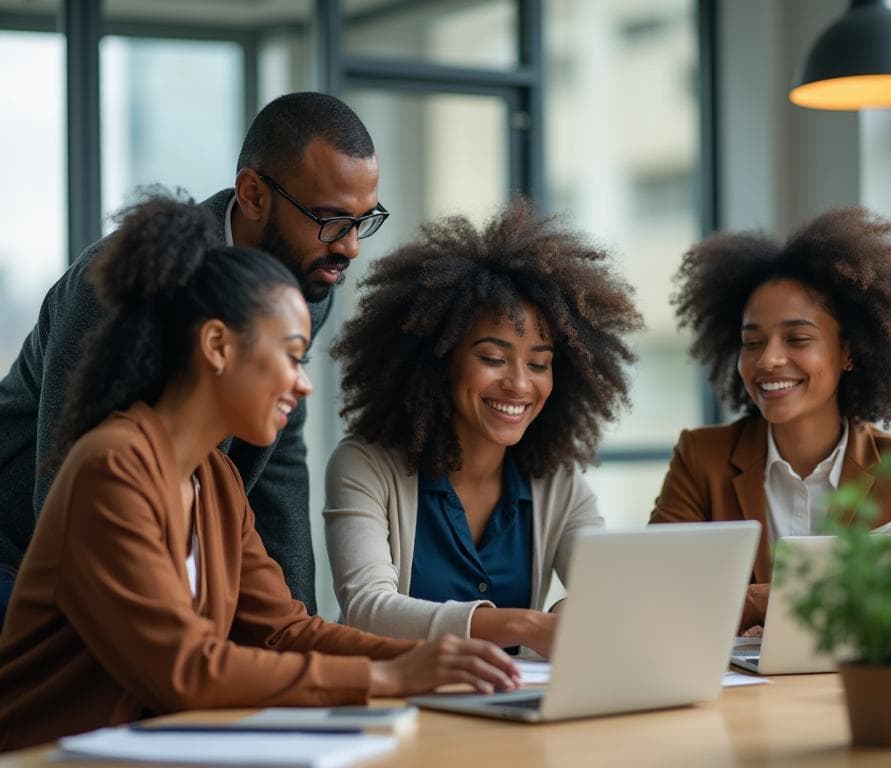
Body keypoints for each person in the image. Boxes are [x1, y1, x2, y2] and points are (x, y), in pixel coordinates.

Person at [0, 196, 519, 752]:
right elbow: (185, 671)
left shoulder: (216, 480)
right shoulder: (111, 467)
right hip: (46, 754)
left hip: (153, 749)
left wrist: (424, 659)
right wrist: (388, 678)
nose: (304, 384)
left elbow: (284, 633)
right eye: (292, 356)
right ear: (217, 346)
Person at [0, 91, 387, 618]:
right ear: (252, 194)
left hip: (160, 553)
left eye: (363, 221)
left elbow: (275, 467)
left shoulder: (304, 280)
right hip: (20, 553)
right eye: (331, 220)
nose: (350, 247)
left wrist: (296, 626)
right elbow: (64, 491)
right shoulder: (123, 284)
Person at [324, 202, 643, 656]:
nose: (518, 384)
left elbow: (607, 593)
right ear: (439, 359)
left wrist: (576, 611)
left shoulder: (559, 484)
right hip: (393, 703)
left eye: (539, 364)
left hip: (502, 710)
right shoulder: (366, 465)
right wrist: (526, 625)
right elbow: (368, 608)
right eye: (492, 358)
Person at [649, 207, 891, 632]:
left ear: (849, 352)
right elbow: (657, 596)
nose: (769, 359)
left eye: (798, 338)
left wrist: (767, 600)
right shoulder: (701, 459)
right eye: (752, 342)